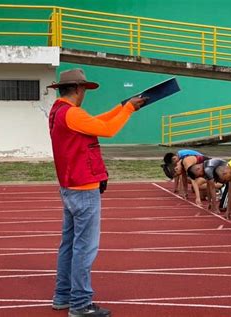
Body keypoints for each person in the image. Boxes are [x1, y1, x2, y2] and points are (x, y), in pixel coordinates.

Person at [48, 68, 147, 317]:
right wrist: (129, 110)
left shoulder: (60, 111)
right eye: (85, 90)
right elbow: (108, 130)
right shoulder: (71, 113)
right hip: (83, 188)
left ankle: (63, 296)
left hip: (70, 186)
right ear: (79, 89)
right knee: (84, 248)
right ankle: (80, 304)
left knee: (69, 245)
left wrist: (121, 107)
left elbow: (98, 122)